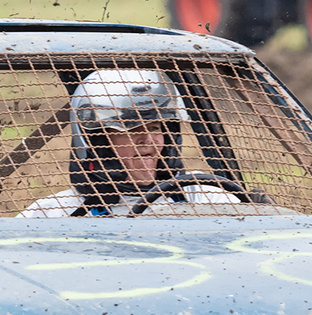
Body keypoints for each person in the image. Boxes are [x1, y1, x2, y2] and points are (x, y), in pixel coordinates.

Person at [19, 68, 242, 217]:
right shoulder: (55, 214)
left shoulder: (202, 196)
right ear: (99, 143)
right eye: (132, 129)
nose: (148, 140)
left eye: (155, 127)